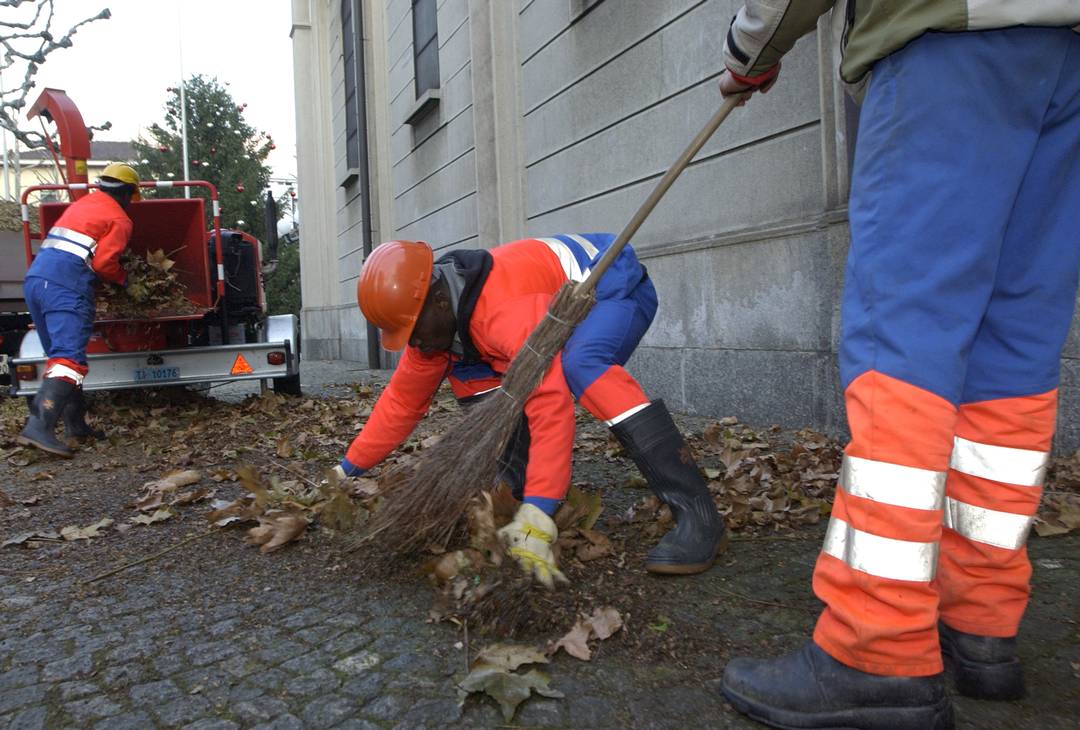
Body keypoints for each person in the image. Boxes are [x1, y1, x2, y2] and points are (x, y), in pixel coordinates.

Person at [714, 3, 1080, 729]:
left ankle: (875, 649)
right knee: (1011, 355)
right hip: (1070, 63)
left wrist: (750, 48)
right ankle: (980, 622)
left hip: (949, 47)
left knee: (903, 350)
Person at [337, 234, 726, 586]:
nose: (415, 343)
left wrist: (542, 508)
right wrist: (346, 468)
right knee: (475, 383)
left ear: (439, 300)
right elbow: (402, 403)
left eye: (413, 331)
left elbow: (550, 404)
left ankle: (696, 513)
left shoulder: (502, 315)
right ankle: (521, 493)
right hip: (541, 312)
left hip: (609, 288)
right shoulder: (435, 331)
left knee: (582, 365)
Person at [18, 163, 141, 458]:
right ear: (126, 193)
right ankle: (38, 426)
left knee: (60, 357)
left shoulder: (83, 204)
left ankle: (76, 425)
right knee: (68, 360)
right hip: (65, 286)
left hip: (37, 281)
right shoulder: (119, 218)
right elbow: (102, 264)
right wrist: (125, 280)